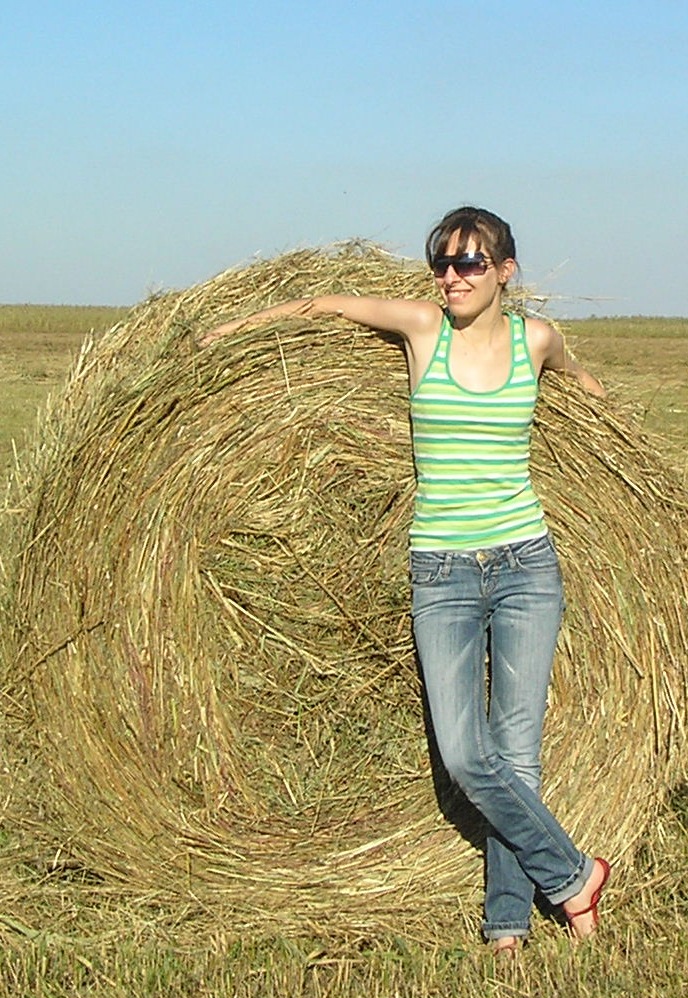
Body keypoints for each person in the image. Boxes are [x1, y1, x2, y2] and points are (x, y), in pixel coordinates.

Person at [200, 206, 611, 954]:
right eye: (442, 262)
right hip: (442, 569)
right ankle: (575, 874)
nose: (452, 276)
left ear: (505, 272)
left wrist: (594, 394)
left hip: (526, 563)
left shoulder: (535, 339)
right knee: (466, 756)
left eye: (470, 263)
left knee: (516, 753)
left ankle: (507, 923)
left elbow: (570, 369)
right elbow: (323, 305)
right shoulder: (423, 328)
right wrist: (233, 330)